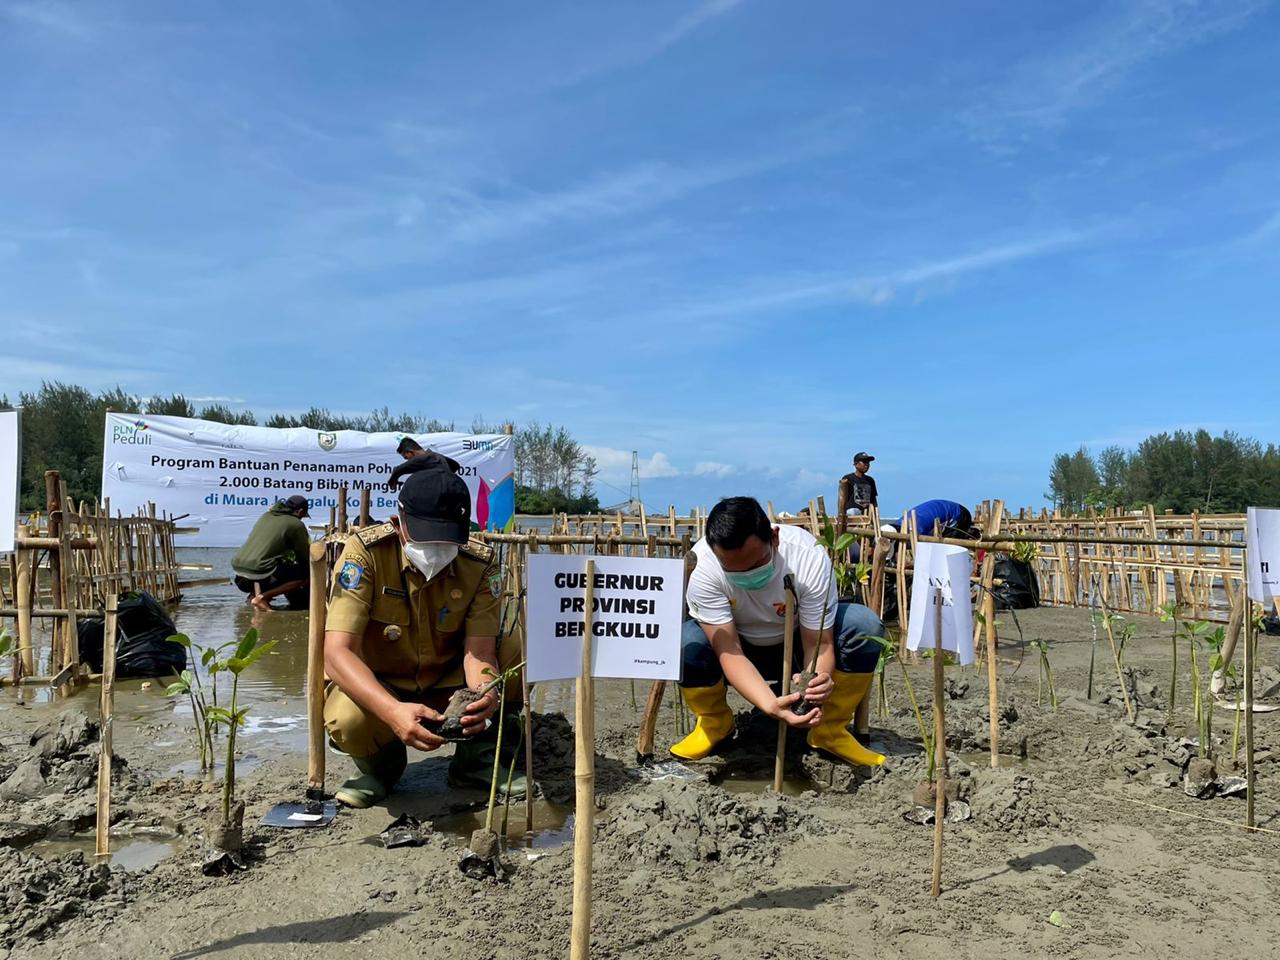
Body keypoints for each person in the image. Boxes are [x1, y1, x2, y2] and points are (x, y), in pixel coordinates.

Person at [322, 451, 524, 808]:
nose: (437, 550)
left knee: (513, 649)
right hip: (382, 683)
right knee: (346, 718)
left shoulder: (479, 563)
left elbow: (480, 651)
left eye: (447, 540)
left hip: (447, 683)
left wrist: (485, 694)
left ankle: (476, 761)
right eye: (427, 538)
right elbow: (337, 653)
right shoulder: (365, 555)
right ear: (398, 523)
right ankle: (379, 769)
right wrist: (391, 711)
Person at [671, 496, 886, 767]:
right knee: (685, 643)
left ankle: (828, 730)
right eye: (732, 570)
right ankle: (716, 724)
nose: (746, 576)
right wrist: (770, 705)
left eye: (756, 564)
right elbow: (730, 652)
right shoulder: (703, 566)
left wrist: (816, 681)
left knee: (863, 626)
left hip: (795, 647)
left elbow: (819, 645)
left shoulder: (807, 558)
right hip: (740, 649)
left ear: (774, 537)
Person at [231, 494, 312, 610]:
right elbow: (304, 555)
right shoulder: (295, 523)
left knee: (277, 569)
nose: (301, 518)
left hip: (239, 573)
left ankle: (254, 597)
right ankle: (261, 598)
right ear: (300, 511)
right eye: (303, 516)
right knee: (303, 575)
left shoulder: (266, 516)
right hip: (259, 570)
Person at [889, 499, 975, 539]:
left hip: (959, 515)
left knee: (947, 547)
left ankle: (969, 534)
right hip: (945, 509)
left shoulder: (916, 528)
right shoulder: (900, 523)